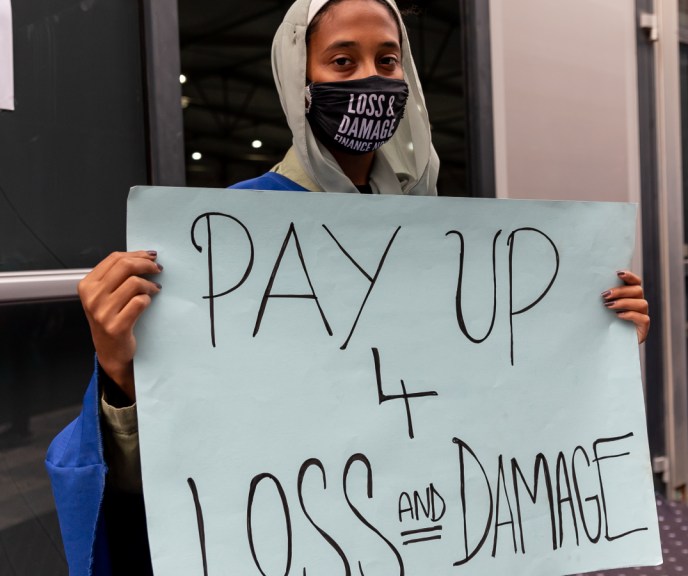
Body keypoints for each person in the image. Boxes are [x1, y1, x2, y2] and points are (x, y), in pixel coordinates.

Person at [45, 1, 651, 574]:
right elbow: (155, 461)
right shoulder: (228, 238)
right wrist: (120, 375)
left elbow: (495, 400)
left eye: (387, 60)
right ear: (297, 78)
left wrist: (595, 341)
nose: (371, 78)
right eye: (342, 60)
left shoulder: (441, 238)